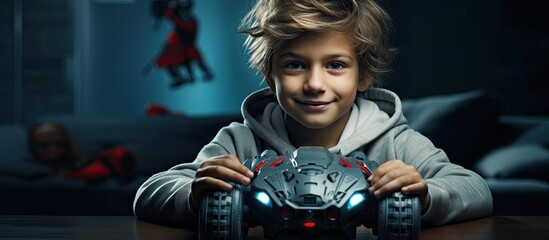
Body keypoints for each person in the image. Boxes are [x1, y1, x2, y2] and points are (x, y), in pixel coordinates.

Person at [133, 0, 492, 229]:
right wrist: (196, 195)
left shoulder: (393, 140)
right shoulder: (242, 140)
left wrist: (426, 194)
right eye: (294, 65)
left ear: (363, 75)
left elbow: (476, 190)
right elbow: (150, 193)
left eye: (335, 65)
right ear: (268, 76)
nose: (315, 84)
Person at [28, 122, 136, 180]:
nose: (53, 149)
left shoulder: (80, 162)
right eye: (45, 146)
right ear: (34, 147)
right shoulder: (32, 167)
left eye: (59, 144)